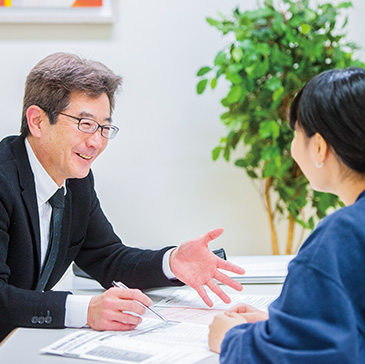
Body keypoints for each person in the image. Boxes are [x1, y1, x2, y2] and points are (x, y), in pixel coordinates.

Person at [0, 52, 245, 342]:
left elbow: (108, 258)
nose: (96, 142)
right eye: (84, 123)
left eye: (104, 127)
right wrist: (87, 311)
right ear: (37, 121)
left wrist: (171, 261)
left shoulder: (76, 181)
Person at [208, 67, 365, 363]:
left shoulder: (341, 235)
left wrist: (231, 340)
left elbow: (309, 356)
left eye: (296, 134)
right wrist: (285, 323)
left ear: (319, 147)